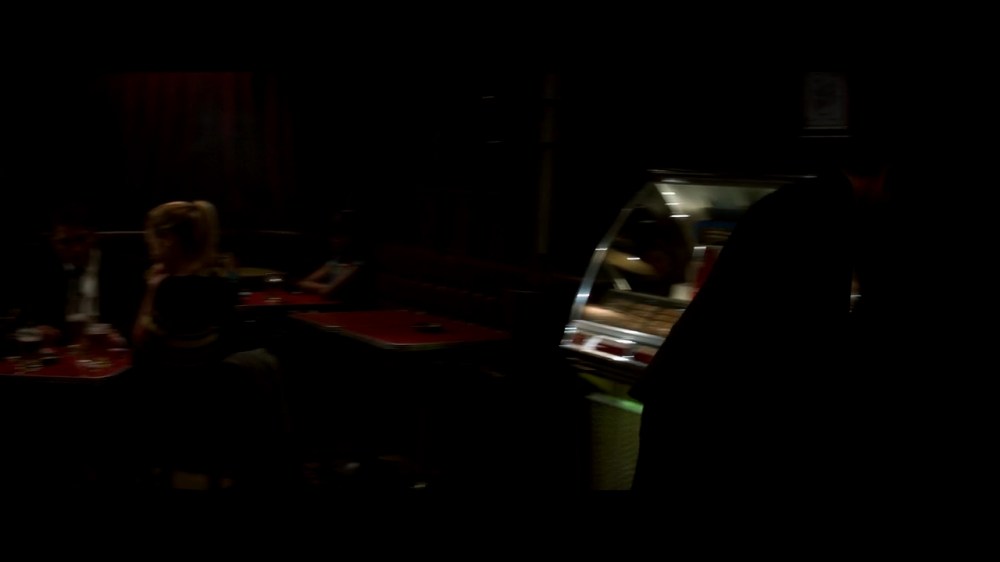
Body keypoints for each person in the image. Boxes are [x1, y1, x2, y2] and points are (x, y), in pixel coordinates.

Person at [627, 122, 962, 502]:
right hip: (708, 410)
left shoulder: (799, 199)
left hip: (689, 394)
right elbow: (813, 339)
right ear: (885, 175)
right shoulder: (830, 216)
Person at [14, 205, 142, 346]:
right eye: (65, 242)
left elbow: (137, 321)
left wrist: (119, 336)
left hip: (108, 350)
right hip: (61, 352)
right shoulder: (42, 271)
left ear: (93, 236)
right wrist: (38, 331)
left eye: (81, 239)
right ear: (52, 242)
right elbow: (25, 321)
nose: (76, 249)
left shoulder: (121, 268)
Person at [295, 209, 373, 308]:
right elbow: (303, 283)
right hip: (333, 307)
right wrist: (330, 287)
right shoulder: (336, 261)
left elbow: (327, 292)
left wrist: (325, 289)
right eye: (333, 236)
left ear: (352, 238)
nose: (333, 240)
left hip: (352, 310)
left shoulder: (357, 264)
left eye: (339, 237)